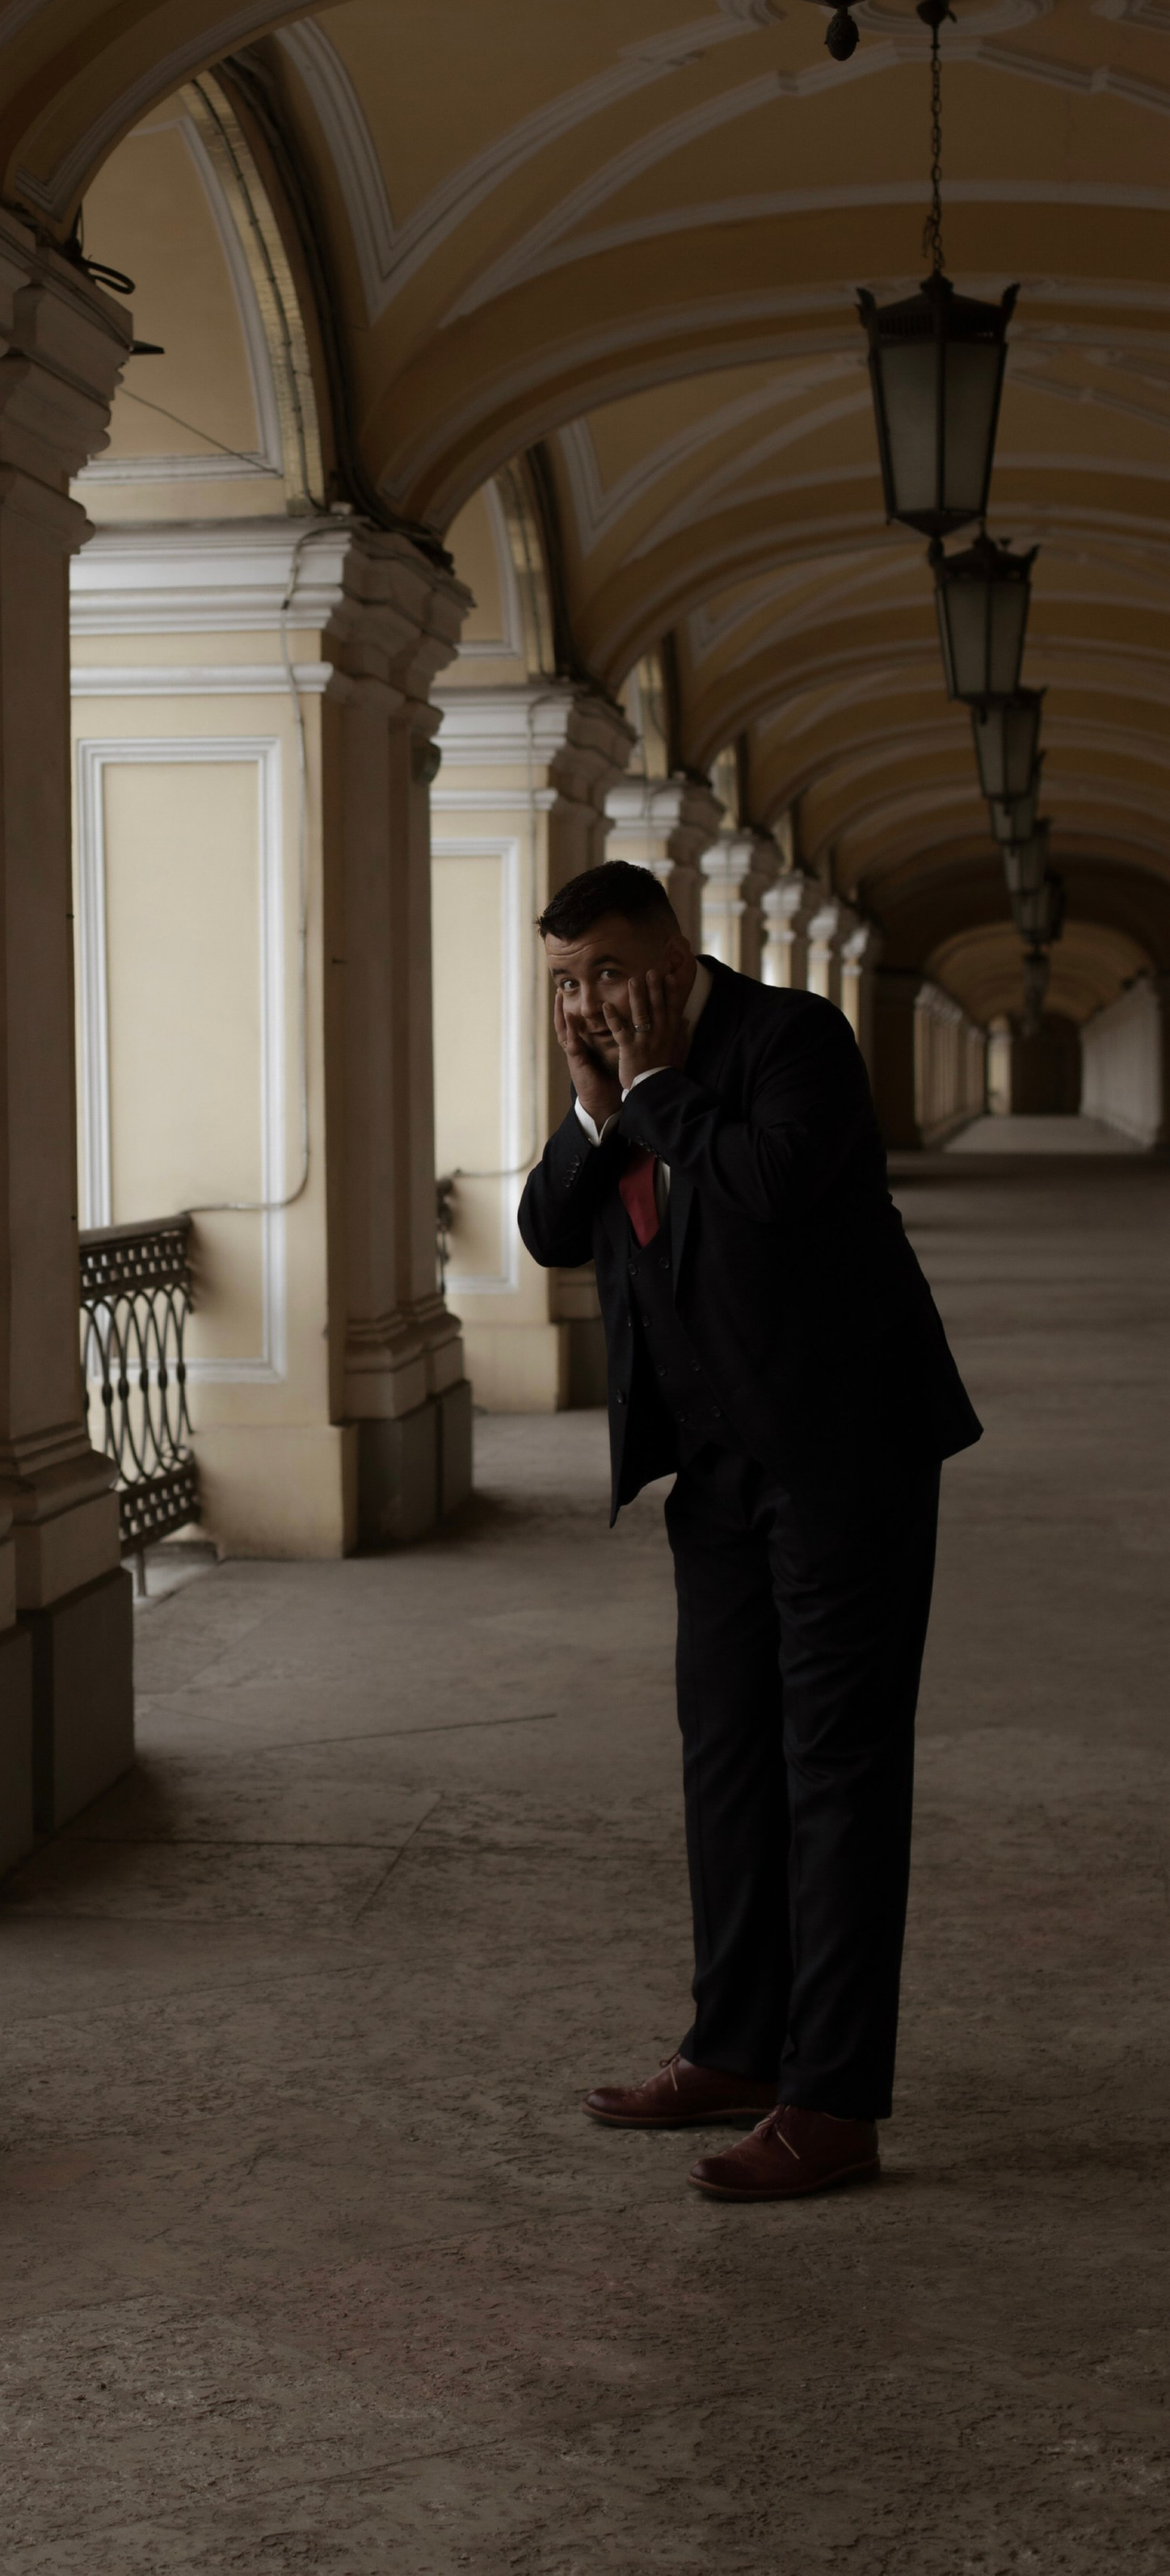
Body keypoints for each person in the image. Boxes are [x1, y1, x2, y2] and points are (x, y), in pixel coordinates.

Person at [516, 861, 979, 2202]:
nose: (587, 1001)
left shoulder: (795, 1039)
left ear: (674, 959)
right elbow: (549, 1232)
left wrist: (655, 1091)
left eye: (607, 971)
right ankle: (733, 2046)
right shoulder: (614, 1084)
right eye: (565, 983)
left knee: (837, 1771)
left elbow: (772, 1187)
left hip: (845, 1457)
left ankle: (831, 2099)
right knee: (726, 1759)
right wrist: (597, 1108)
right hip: (716, 1472)